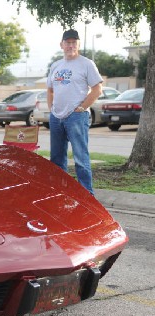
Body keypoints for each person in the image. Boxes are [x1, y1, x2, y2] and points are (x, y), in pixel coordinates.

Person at [47, 29, 103, 194]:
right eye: (67, 42)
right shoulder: (55, 66)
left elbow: (97, 89)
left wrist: (82, 108)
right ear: (61, 44)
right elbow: (50, 90)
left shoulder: (86, 64)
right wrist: (51, 109)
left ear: (78, 44)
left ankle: (87, 196)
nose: (70, 45)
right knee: (57, 159)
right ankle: (60, 193)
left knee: (80, 159)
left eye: (74, 42)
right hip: (56, 117)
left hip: (76, 117)